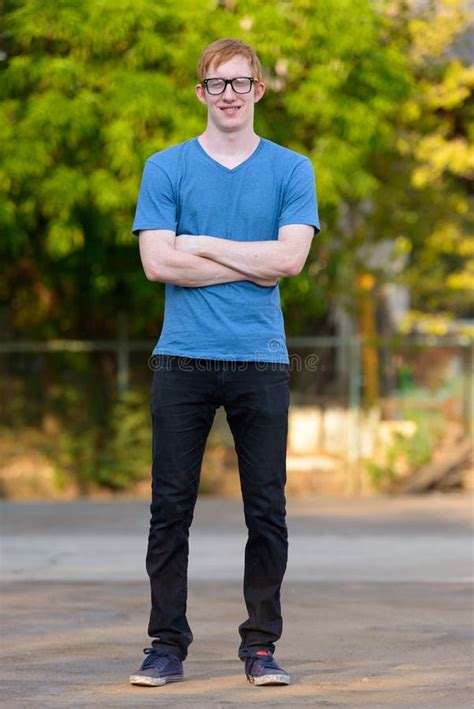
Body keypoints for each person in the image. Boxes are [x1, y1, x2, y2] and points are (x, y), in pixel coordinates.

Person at [129, 37, 320, 688]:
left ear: (259, 90)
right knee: (169, 509)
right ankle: (165, 646)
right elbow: (158, 263)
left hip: (259, 359)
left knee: (267, 508)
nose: (230, 95)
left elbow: (290, 261)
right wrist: (253, 261)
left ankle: (261, 646)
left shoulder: (292, 169)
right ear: (200, 93)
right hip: (181, 360)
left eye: (241, 83)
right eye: (217, 84)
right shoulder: (166, 167)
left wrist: (203, 245)